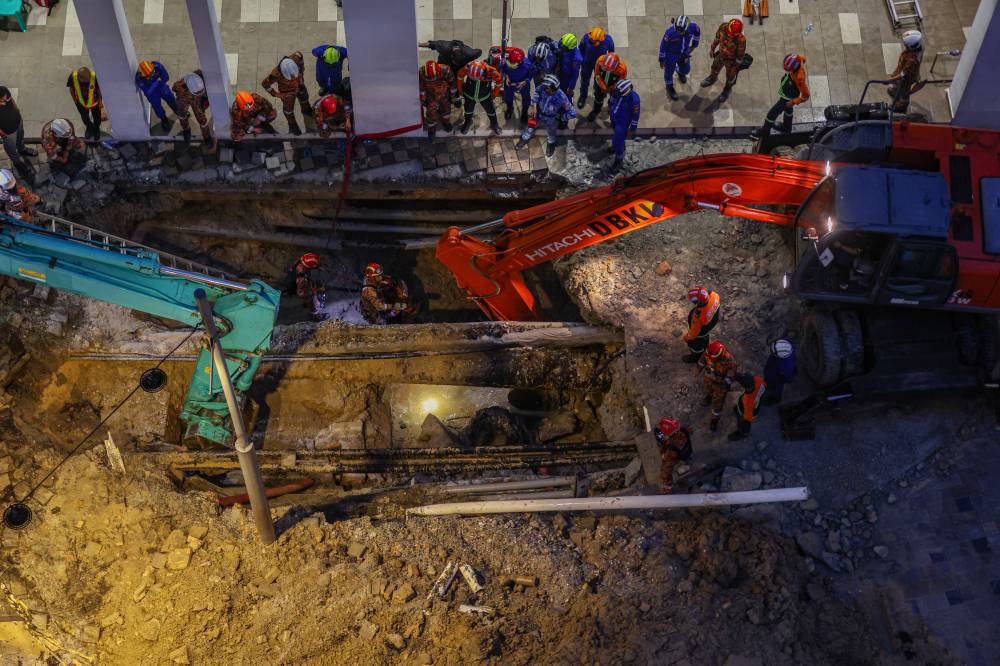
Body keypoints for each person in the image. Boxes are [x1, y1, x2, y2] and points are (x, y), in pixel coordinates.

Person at [750, 54, 809, 140]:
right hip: (788, 91)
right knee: (788, 111)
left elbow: (806, 96)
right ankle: (786, 128)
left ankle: (765, 131)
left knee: (772, 113)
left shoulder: (800, 78)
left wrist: (793, 102)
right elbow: (803, 58)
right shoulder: (799, 58)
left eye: (789, 69)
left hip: (788, 97)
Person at [526, 74, 576, 157]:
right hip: (539, 113)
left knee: (551, 132)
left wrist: (561, 117)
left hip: (551, 118)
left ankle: (551, 142)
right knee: (532, 124)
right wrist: (534, 107)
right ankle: (528, 133)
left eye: (555, 90)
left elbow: (573, 113)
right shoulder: (542, 87)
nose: (553, 92)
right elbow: (536, 93)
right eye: (551, 90)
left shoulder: (561, 96)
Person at [262, 52, 312, 135]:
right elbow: (265, 84)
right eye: (290, 79)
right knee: (288, 111)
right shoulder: (275, 74)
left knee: (305, 101)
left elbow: (301, 58)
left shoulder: (297, 57)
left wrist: (301, 73)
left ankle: (308, 117)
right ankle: (293, 127)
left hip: (300, 86)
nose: (293, 79)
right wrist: (277, 94)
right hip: (287, 93)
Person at [700, 18, 746, 103]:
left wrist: (734, 68)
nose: (731, 36)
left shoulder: (741, 40)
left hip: (731, 61)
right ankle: (712, 79)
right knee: (714, 68)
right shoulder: (723, 27)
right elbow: (717, 38)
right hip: (720, 55)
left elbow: (740, 56)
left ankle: (727, 89)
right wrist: (712, 49)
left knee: (730, 77)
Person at [172, 71, 217, 153]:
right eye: (197, 92)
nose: (199, 93)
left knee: (202, 120)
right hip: (185, 98)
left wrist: (204, 102)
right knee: (182, 115)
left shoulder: (202, 79)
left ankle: (207, 137)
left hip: (197, 102)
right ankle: (186, 130)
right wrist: (181, 103)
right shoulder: (180, 86)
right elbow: (174, 88)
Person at [658, 15, 700, 101]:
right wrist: (662, 60)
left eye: (681, 31)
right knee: (669, 73)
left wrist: (694, 45)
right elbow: (663, 46)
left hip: (684, 53)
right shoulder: (670, 33)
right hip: (671, 55)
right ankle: (669, 87)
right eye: (678, 30)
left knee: (686, 70)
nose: (679, 33)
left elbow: (697, 32)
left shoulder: (693, 26)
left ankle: (680, 72)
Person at [699, 340, 737, 432]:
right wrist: (698, 369)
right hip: (709, 380)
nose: (710, 360)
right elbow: (703, 360)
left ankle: (714, 421)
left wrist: (723, 383)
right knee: (708, 390)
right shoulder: (709, 352)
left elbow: (732, 376)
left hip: (720, 387)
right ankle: (708, 397)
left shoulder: (729, 361)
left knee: (717, 405)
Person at [0, 87, 36, 186]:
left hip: (18, 122)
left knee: (20, 139)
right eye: (3, 99)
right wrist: (4, 135)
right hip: (8, 133)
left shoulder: (3, 90)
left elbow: (11, 99)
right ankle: (18, 164)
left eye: (6, 98)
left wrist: (17, 111)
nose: (5, 100)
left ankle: (22, 149)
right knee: (11, 150)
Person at [456, 60, 503, 135]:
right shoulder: (467, 67)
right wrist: (460, 89)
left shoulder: (491, 71)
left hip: (485, 96)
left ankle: (494, 124)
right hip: (469, 95)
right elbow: (460, 76)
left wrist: (495, 93)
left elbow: (499, 80)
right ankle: (467, 122)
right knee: (468, 111)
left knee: (491, 111)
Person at [135, 60, 179, 133]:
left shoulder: (157, 66)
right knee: (157, 107)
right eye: (148, 76)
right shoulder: (139, 79)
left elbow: (166, 77)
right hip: (153, 93)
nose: (151, 76)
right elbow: (148, 92)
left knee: (170, 97)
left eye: (152, 73)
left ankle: (177, 110)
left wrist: (156, 84)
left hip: (161, 86)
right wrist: (157, 82)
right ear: (141, 75)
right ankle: (164, 119)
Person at [577, 27, 615, 108]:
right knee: (584, 80)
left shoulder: (608, 40)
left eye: (593, 41)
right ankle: (583, 96)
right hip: (587, 63)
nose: (591, 41)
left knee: (598, 82)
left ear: (600, 40)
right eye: (591, 39)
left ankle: (597, 95)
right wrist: (582, 59)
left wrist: (607, 65)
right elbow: (581, 48)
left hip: (600, 65)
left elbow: (611, 53)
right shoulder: (587, 37)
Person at [682, 285, 721, 363]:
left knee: (696, 346)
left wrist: (687, 338)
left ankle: (695, 358)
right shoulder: (715, 296)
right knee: (705, 339)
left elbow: (694, 333)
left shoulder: (698, 316)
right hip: (710, 325)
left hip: (700, 333)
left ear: (698, 302)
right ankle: (706, 347)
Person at [608, 79, 640, 174]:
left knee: (617, 141)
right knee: (618, 139)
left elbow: (636, 116)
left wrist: (632, 129)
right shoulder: (618, 92)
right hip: (614, 118)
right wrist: (610, 108)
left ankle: (619, 159)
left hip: (623, 123)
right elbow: (612, 100)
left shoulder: (635, 100)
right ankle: (620, 145)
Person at [888, 30, 924, 113]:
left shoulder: (911, 60)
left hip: (905, 80)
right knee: (899, 89)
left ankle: (899, 108)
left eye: (905, 44)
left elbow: (903, 74)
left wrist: (890, 80)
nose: (904, 45)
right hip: (906, 74)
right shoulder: (918, 47)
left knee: (903, 95)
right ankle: (896, 92)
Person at [419, 60, 457, 138]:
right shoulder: (421, 72)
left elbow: (452, 84)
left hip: (444, 95)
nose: (432, 79)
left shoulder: (446, 70)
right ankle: (432, 127)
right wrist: (423, 100)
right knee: (431, 113)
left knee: (446, 110)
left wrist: (454, 98)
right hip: (431, 96)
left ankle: (446, 122)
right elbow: (422, 88)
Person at [654, 417, 692, 495]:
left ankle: (668, 490)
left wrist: (666, 486)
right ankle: (686, 461)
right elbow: (689, 431)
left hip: (679, 455)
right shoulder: (683, 430)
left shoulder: (670, 450)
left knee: (666, 469)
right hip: (687, 452)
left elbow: (666, 471)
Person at [586, 52, 627, 122]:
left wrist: (610, 88)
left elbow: (620, 82)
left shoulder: (622, 69)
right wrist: (603, 87)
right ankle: (596, 110)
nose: (607, 70)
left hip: (613, 87)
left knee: (614, 99)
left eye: (610, 70)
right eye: (605, 68)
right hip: (600, 84)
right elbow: (597, 75)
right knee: (598, 98)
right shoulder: (600, 61)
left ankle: (611, 108)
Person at [67, 67, 103, 140]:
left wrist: (100, 101)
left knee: (97, 117)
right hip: (81, 102)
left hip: (94, 102)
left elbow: (98, 89)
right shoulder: (73, 77)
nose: (89, 81)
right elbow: (71, 89)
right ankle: (89, 127)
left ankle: (96, 129)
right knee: (85, 118)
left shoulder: (94, 76)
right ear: (79, 78)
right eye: (87, 80)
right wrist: (75, 101)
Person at [728, 373, 766, 441]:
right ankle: (737, 410)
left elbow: (748, 418)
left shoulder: (748, 401)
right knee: (738, 410)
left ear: (745, 386)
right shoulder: (759, 380)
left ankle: (743, 433)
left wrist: (744, 419)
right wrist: (736, 376)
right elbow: (744, 378)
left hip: (748, 411)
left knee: (743, 422)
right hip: (756, 404)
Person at [291, 252, 328, 322]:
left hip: (306, 287)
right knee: (313, 304)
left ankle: (308, 305)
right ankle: (316, 316)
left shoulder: (303, 262)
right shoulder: (301, 279)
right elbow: (300, 293)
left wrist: (318, 267)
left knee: (311, 300)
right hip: (306, 294)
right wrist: (313, 291)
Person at [500, 47, 531, 126]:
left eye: (513, 64)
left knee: (526, 98)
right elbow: (501, 68)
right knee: (508, 96)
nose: (510, 65)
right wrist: (506, 76)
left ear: (520, 62)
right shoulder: (506, 60)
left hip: (523, 84)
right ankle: (510, 108)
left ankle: (524, 112)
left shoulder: (527, 64)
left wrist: (526, 81)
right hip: (510, 83)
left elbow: (531, 74)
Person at [762, 339, 796, 405]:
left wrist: (787, 378)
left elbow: (788, 378)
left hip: (777, 378)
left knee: (776, 388)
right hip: (773, 370)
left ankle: (775, 398)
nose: (770, 352)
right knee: (769, 381)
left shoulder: (787, 366)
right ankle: (767, 386)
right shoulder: (786, 347)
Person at [556, 34, 584, 100]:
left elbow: (575, 74)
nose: (562, 48)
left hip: (567, 77)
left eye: (565, 48)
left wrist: (571, 87)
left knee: (566, 95)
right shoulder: (563, 42)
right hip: (560, 69)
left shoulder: (577, 58)